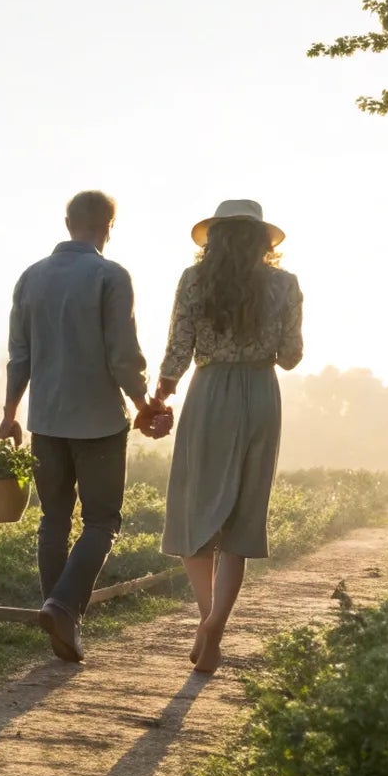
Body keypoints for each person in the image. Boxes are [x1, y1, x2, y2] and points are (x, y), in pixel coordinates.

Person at [0, 190, 164, 662]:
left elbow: (20, 355)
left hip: (45, 422)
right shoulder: (110, 276)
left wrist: (10, 414)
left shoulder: (31, 278)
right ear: (107, 227)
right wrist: (142, 404)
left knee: (53, 519)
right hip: (97, 422)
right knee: (102, 522)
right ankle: (62, 608)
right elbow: (121, 354)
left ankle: (58, 620)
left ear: (67, 221)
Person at [155, 199, 303, 674]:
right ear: (263, 240)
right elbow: (291, 356)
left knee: (195, 509)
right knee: (243, 514)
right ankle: (215, 626)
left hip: (210, 392)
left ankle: (208, 623)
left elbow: (179, 348)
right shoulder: (285, 284)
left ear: (214, 238)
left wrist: (162, 393)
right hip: (261, 393)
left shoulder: (194, 281)